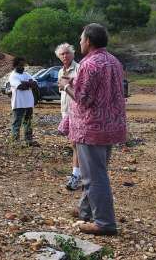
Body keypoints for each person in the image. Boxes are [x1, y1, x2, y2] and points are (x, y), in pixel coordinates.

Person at [59, 23, 126, 236]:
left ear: (88, 41)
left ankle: (104, 222)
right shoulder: (113, 61)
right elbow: (101, 90)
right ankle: (85, 211)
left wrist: (65, 86)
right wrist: (75, 81)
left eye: (81, 39)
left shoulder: (89, 64)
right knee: (97, 172)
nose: (79, 42)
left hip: (91, 128)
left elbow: (84, 99)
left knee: (94, 177)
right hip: (110, 126)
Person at [55, 43, 81, 190]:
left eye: (67, 53)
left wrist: (67, 85)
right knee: (73, 143)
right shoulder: (60, 71)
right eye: (62, 54)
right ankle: (77, 173)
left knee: (76, 143)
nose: (65, 56)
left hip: (77, 110)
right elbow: (62, 91)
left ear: (72, 54)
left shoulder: (78, 69)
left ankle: (76, 174)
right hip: (65, 110)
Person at [8, 57, 39, 146]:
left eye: (23, 65)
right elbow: (20, 87)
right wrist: (29, 84)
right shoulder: (13, 76)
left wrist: (25, 83)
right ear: (15, 65)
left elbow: (35, 84)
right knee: (17, 122)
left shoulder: (26, 74)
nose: (22, 67)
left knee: (28, 122)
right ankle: (15, 141)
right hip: (19, 103)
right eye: (20, 65)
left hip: (29, 103)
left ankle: (28, 141)